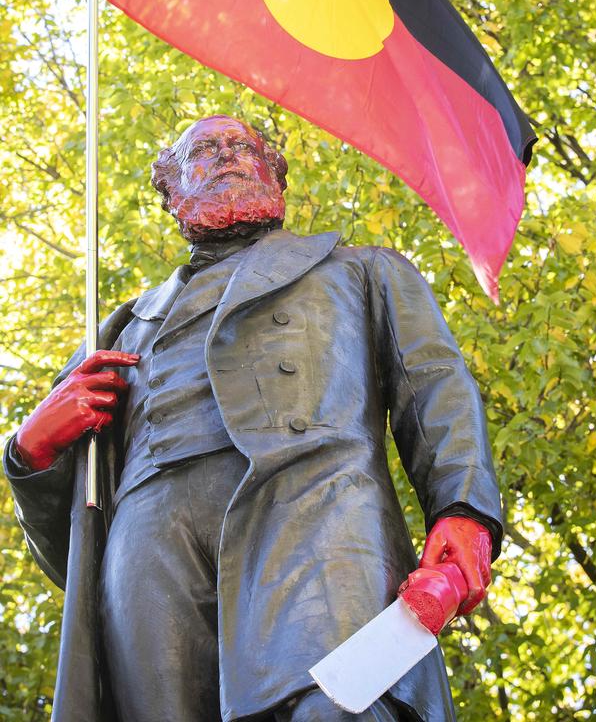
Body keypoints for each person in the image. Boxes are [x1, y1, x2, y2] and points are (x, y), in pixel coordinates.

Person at [5, 115, 502, 722]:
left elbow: (436, 388)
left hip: (316, 516)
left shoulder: (360, 270)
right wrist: (29, 454)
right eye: (205, 150)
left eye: (244, 146)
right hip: (150, 550)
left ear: (276, 176)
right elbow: (70, 550)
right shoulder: (118, 330)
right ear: (171, 190)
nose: (228, 157)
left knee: (340, 705)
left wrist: (462, 508)